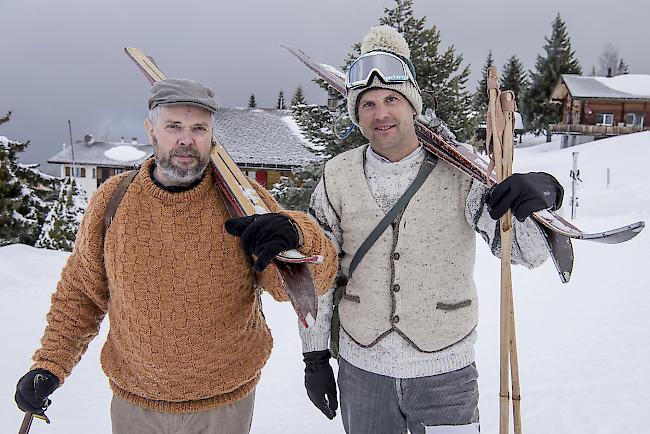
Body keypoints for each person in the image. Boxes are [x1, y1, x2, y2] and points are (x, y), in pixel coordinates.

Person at [14, 78, 337, 434]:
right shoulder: (112, 201)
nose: (186, 139)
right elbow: (81, 294)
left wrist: (297, 233)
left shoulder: (242, 203)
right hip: (135, 404)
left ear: (212, 135)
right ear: (151, 130)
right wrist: (50, 364)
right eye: (174, 126)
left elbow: (309, 283)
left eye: (199, 128)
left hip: (224, 405)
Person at [299, 26, 563, 434]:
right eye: (367, 104)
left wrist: (534, 199)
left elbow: (525, 254)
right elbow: (317, 271)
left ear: (413, 105)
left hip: (446, 373)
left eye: (391, 99)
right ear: (356, 113)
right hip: (362, 373)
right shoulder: (336, 176)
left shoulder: (464, 171)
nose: (381, 114)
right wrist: (314, 357)